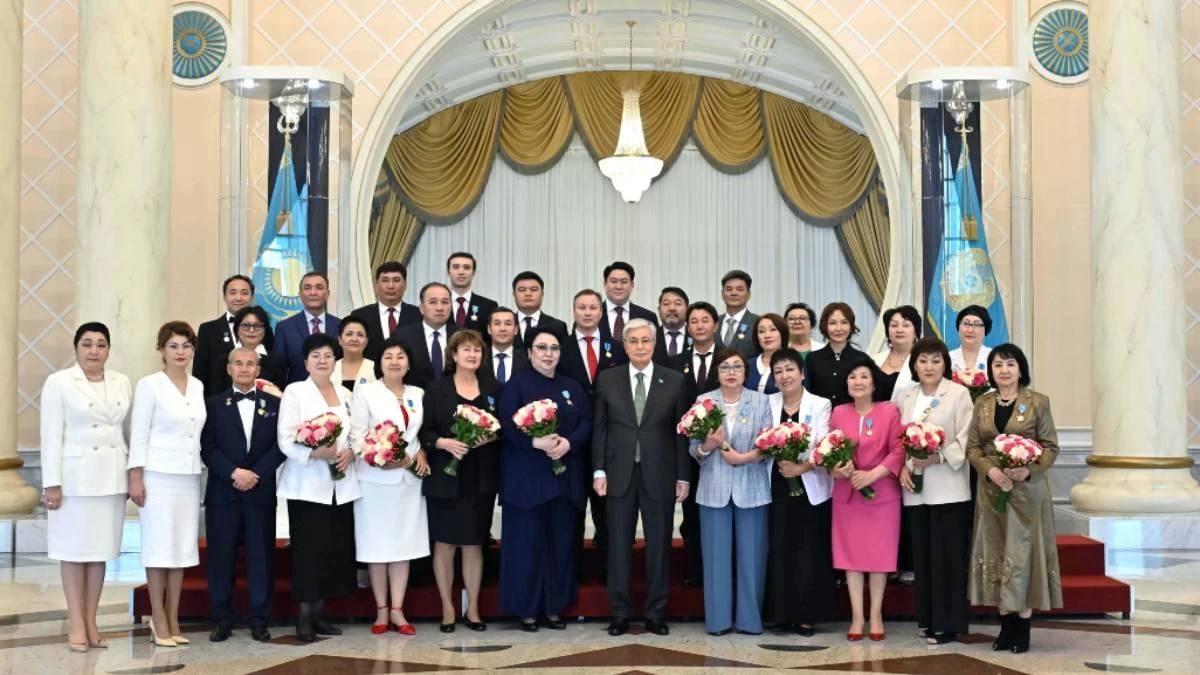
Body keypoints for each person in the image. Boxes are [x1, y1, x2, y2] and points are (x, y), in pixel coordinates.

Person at [591, 319, 690, 637]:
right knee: (618, 546)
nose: (640, 346)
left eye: (646, 340)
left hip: (659, 473)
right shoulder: (607, 379)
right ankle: (619, 613)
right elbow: (600, 427)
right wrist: (598, 469)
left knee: (658, 546)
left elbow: (681, 433)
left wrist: (683, 476)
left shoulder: (674, 380)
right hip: (618, 474)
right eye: (633, 341)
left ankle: (655, 613)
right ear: (625, 345)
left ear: (654, 343)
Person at [39, 323, 132, 652]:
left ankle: (92, 619)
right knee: (73, 552)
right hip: (74, 479)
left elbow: (125, 431)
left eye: (101, 344)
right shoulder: (60, 382)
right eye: (87, 344)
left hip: (111, 476)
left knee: (99, 553)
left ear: (109, 349)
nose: (94, 351)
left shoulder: (121, 381)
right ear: (76, 348)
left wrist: (131, 473)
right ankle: (76, 621)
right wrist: (52, 483)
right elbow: (51, 435)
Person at [967, 343, 1062, 654]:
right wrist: (990, 471)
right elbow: (973, 448)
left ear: (1021, 369)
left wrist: (1028, 471)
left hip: (1027, 494)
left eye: (1010, 364)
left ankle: (1022, 627)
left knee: (1023, 556)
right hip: (992, 490)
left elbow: (1050, 447)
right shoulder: (982, 403)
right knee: (997, 553)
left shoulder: (1037, 402)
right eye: (998, 365)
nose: (1004, 370)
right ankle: (1005, 626)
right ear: (991, 371)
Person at [497, 327, 591, 631]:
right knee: (526, 547)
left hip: (563, 482)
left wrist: (569, 443)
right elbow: (505, 427)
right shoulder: (516, 385)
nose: (548, 354)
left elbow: (587, 421)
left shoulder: (571, 386)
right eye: (541, 348)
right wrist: (534, 442)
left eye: (554, 348)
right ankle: (526, 609)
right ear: (529, 352)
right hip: (526, 483)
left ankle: (554, 608)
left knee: (560, 547)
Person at [276, 333, 362, 641]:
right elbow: (286, 438)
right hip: (307, 486)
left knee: (332, 552)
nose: (322, 360)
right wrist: (314, 453)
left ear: (335, 360)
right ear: (305, 362)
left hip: (341, 486)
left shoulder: (346, 394)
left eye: (328, 355)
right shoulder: (295, 392)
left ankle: (320, 615)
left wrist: (352, 452)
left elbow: (356, 434)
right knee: (308, 554)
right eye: (316, 356)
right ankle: (303, 618)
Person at [127, 321, 206, 647]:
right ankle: (157, 617)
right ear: (161, 349)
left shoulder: (197, 385)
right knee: (159, 548)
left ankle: (173, 618)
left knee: (181, 549)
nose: (180, 352)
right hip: (157, 475)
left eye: (186, 346)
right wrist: (135, 476)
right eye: (173, 346)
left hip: (188, 476)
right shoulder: (150, 385)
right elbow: (139, 433)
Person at [201, 347, 285, 643]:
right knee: (220, 558)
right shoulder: (213, 405)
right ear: (229, 369)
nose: (245, 368)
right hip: (223, 492)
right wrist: (234, 473)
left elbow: (280, 445)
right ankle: (221, 620)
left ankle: (259, 620)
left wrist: (255, 474)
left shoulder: (275, 404)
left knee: (261, 559)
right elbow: (207, 447)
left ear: (258, 370)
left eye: (251, 364)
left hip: (260, 492)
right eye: (239, 363)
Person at [348, 336, 430, 637]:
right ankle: (382, 609)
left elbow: (419, 435)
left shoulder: (418, 393)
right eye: (388, 357)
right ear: (379, 363)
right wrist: (378, 458)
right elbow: (357, 436)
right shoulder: (366, 392)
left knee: (402, 546)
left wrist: (421, 453)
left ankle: (398, 609)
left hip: (408, 481)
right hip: (375, 481)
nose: (395, 361)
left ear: (409, 364)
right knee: (377, 546)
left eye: (400, 357)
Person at [689, 348, 773, 636]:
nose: (731, 372)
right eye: (725, 367)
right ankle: (718, 621)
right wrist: (708, 446)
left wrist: (742, 458)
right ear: (717, 372)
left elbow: (768, 446)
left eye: (737, 366)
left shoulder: (761, 401)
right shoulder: (704, 402)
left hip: (753, 488)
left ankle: (750, 621)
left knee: (752, 558)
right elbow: (694, 450)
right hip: (714, 488)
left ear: (745, 372)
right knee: (716, 559)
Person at [420, 330, 499, 633]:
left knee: (473, 543)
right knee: (445, 544)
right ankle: (448, 608)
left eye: (477, 350)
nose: (472, 354)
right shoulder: (436, 388)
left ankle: (473, 609)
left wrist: (490, 436)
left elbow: (503, 427)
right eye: (466, 349)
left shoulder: (492, 387)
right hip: (445, 474)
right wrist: (444, 443)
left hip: (480, 476)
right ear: (453, 355)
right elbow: (425, 431)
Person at [896, 338, 974, 644]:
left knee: (947, 559)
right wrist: (903, 466)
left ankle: (948, 623)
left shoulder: (958, 394)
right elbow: (899, 440)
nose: (929, 367)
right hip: (915, 488)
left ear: (945, 364)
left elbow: (966, 438)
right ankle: (927, 619)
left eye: (935, 361)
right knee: (924, 559)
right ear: (914, 365)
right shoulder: (905, 397)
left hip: (948, 488)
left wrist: (938, 457)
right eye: (923, 361)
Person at [828, 359, 903, 642]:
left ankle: (876, 614)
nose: (857, 382)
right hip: (848, 495)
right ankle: (857, 617)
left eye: (863, 376)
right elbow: (829, 450)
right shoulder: (839, 412)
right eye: (852, 376)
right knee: (852, 558)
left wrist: (872, 475)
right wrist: (838, 468)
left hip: (882, 494)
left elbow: (898, 451)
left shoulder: (889, 411)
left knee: (879, 557)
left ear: (873, 383)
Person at [763, 348, 834, 637]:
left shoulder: (820, 404)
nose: (785, 376)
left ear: (802, 373)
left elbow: (824, 446)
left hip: (809, 485)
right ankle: (781, 614)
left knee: (807, 550)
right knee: (779, 547)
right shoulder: (767, 402)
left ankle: (806, 616)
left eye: (790, 369)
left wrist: (800, 468)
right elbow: (762, 440)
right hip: (777, 483)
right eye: (778, 371)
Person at [664, 301, 722, 587]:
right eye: (694, 321)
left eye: (705, 320)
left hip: (722, 450)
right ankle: (695, 572)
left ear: (715, 325)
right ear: (687, 327)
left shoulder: (729, 358)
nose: (699, 326)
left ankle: (719, 571)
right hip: (686, 451)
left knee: (719, 514)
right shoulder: (675, 362)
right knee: (691, 515)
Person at [558, 289, 619, 555]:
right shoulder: (561, 347)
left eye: (593, 308)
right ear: (573, 311)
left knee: (607, 515)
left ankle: (608, 571)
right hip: (571, 443)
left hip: (609, 442)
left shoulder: (617, 348)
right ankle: (573, 571)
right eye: (581, 307)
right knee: (572, 514)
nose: (587, 312)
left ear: (601, 312)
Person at [194, 275, 265, 398]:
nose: (238, 298)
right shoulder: (208, 329)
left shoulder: (263, 328)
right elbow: (199, 373)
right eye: (233, 292)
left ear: (252, 297)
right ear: (224, 297)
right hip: (217, 401)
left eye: (244, 293)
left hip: (257, 400)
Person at [275, 272, 342, 384]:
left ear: (327, 293)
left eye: (319, 288)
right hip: (296, 392)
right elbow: (279, 370)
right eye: (307, 288)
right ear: (300, 294)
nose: (313, 292)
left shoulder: (341, 326)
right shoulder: (284, 328)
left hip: (334, 390)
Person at [349, 261, 421, 362]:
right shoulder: (359, 316)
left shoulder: (418, 315)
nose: (390, 286)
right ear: (376, 285)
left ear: (405, 285)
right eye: (385, 280)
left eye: (396, 280)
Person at [206, 306, 287, 394]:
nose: (251, 330)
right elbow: (215, 396)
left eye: (257, 326)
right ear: (236, 329)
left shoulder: (277, 361)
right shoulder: (223, 360)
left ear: (265, 330)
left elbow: (281, 396)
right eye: (245, 325)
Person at [394, 282, 459, 389]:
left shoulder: (462, 336)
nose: (439, 308)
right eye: (433, 302)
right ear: (421, 308)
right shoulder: (402, 336)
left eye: (445, 302)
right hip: (414, 397)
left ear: (451, 307)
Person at [805, 302, 869, 407]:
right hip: (819, 416)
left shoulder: (862, 359)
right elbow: (806, 394)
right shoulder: (812, 359)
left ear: (851, 326)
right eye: (833, 323)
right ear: (825, 326)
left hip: (851, 416)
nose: (839, 328)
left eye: (844, 322)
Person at [598, 261, 658, 364]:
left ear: (632, 285)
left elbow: (655, 352)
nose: (618, 286)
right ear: (605, 284)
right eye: (613, 281)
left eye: (624, 282)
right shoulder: (590, 317)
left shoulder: (647, 317)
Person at [874, 305, 921, 402]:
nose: (899, 330)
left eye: (906, 325)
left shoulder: (923, 362)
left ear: (916, 332)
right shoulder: (874, 360)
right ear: (888, 332)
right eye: (894, 325)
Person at [511, 271, 568, 345]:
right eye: (522, 290)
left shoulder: (558, 326)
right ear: (514, 295)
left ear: (542, 294)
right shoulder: (504, 324)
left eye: (533, 290)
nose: (528, 294)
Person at [447, 251, 499, 333]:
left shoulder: (489, 306)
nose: (461, 272)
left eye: (466, 267)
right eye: (456, 267)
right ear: (448, 272)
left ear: (473, 272)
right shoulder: (438, 305)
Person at [716, 270, 760, 359]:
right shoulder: (713, 322)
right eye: (729, 289)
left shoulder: (758, 322)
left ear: (749, 294)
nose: (734, 293)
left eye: (739, 289)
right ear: (722, 294)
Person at [745, 313, 788, 395]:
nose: (767, 335)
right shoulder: (748, 365)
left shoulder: (794, 363)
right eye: (761, 331)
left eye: (773, 329)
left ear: (783, 333)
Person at [484, 307, 527, 386]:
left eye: (508, 324)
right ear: (489, 329)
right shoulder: (479, 357)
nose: (502, 329)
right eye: (497, 324)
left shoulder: (527, 359)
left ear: (516, 330)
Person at [332, 316, 375, 392]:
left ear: (366, 341)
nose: (354, 339)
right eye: (349, 334)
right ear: (340, 340)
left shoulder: (376, 369)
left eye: (360, 335)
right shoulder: (330, 369)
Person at [949, 305, 993, 377]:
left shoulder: (994, 357)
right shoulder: (948, 358)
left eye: (977, 325)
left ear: (985, 331)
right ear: (958, 328)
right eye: (966, 323)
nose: (970, 330)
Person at [653, 286, 690, 364]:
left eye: (678, 304)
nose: (672, 308)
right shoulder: (650, 338)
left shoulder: (696, 337)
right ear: (659, 310)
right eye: (666, 304)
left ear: (688, 310)